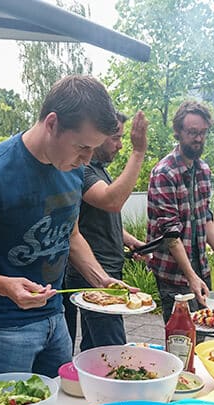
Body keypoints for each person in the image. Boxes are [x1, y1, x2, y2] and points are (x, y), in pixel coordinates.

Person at [0, 75, 123, 379]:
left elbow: (71, 234)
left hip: (55, 318)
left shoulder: (72, 168)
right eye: (82, 147)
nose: (86, 160)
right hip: (2, 328)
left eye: (92, 150)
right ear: (52, 123)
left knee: (56, 404)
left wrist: (100, 279)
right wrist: (3, 285)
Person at [147, 100, 214, 323]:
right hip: (173, 273)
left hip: (201, 267)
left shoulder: (203, 169)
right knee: (180, 334)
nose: (198, 139)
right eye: (192, 132)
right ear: (178, 132)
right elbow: (171, 235)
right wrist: (191, 277)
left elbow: (205, 219)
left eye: (202, 133)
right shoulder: (164, 173)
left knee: (205, 328)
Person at [63, 110, 148, 351]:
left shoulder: (100, 169)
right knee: (113, 349)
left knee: (94, 347)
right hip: (93, 271)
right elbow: (112, 201)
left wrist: (129, 240)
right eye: (116, 138)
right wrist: (138, 152)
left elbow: (97, 218)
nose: (120, 145)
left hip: (107, 269)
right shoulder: (83, 170)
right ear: (97, 137)